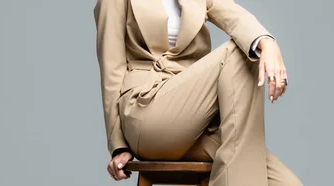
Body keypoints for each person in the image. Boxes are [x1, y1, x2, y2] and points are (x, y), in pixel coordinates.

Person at [93, 0, 302, 185]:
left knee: (287, 183)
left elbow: (234, 15)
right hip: (146, 111)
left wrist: (268, 43)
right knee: (240, 52)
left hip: (195, 117)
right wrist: (118, 146)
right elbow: (112, 69)